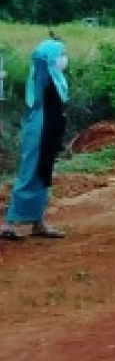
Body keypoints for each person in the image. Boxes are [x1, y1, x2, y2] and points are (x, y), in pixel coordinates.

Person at [1, 39, 69, 241]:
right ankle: (9, 223)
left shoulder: (56, 78)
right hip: (41, 131)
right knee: (30, 173)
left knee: (43, 174)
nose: (63, 58)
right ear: (48, 59)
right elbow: (40, 61)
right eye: (60, 54)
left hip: (49, 131)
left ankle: (38, 222)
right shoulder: (43, 74)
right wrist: (44, 56)